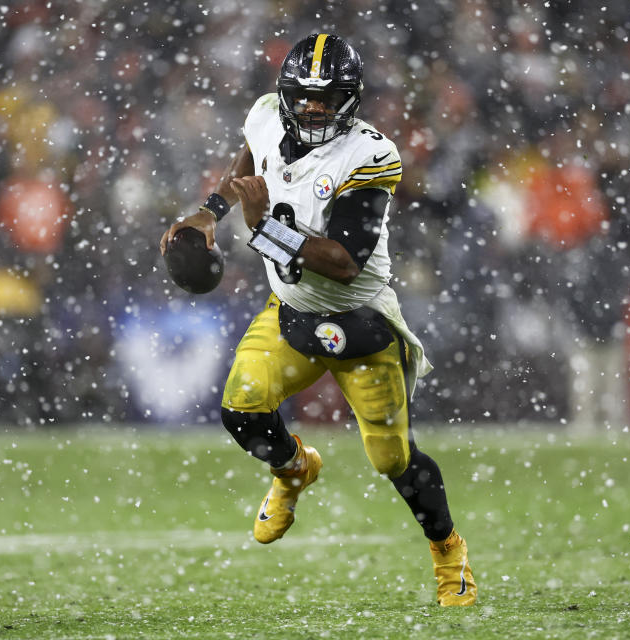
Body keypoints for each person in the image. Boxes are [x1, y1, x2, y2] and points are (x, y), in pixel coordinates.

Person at [160, 33, 477, 606]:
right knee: (241, 409)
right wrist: (211, 212)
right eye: (302, 97)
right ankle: (292, 469)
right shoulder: (263, 115)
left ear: (350, 100)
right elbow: (252, 155)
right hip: (292, 315)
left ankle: (447, 548)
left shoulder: (370, 154)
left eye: (326, 98)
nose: (312, 108)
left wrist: (262, 229)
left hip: (362, 323)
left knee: (393, 459)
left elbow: (344, 262)